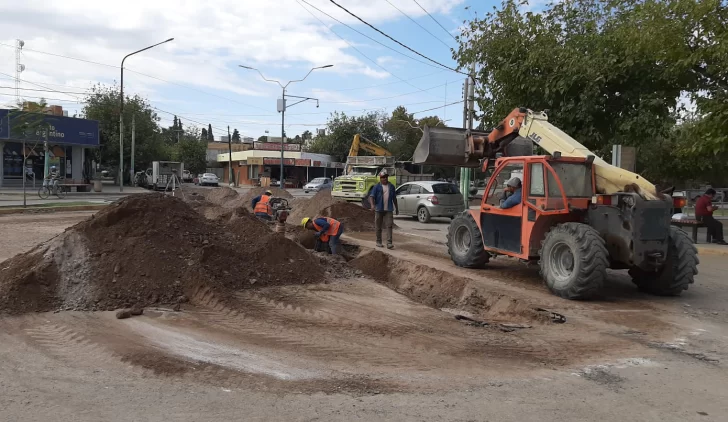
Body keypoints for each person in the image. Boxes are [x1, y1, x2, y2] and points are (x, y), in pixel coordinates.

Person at [369, 170, 398, 249]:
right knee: (378, 226)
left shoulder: (391, 186)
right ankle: (378, 241)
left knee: (389, 225)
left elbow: (394, 198)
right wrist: (372, 205)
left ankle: (389, 243)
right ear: (380, 178)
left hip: (389, 209)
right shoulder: (376, 187)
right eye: (383, 177)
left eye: (386, 177)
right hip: (379, 209)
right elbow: (371, 196)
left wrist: (397, 208)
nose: (385, 179)